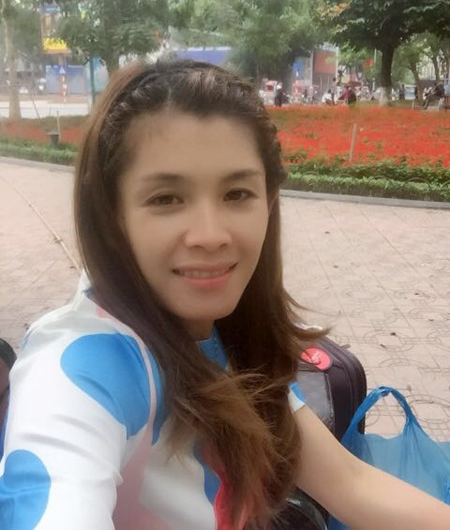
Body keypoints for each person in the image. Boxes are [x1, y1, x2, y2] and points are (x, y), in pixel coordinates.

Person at [0, 60, 449, 530]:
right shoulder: (84, 364)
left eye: (236, 194)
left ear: (268, 202)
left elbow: (350, 484)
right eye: (166, 199)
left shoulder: (224, 339)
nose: (210, 235)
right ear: (113, 217)